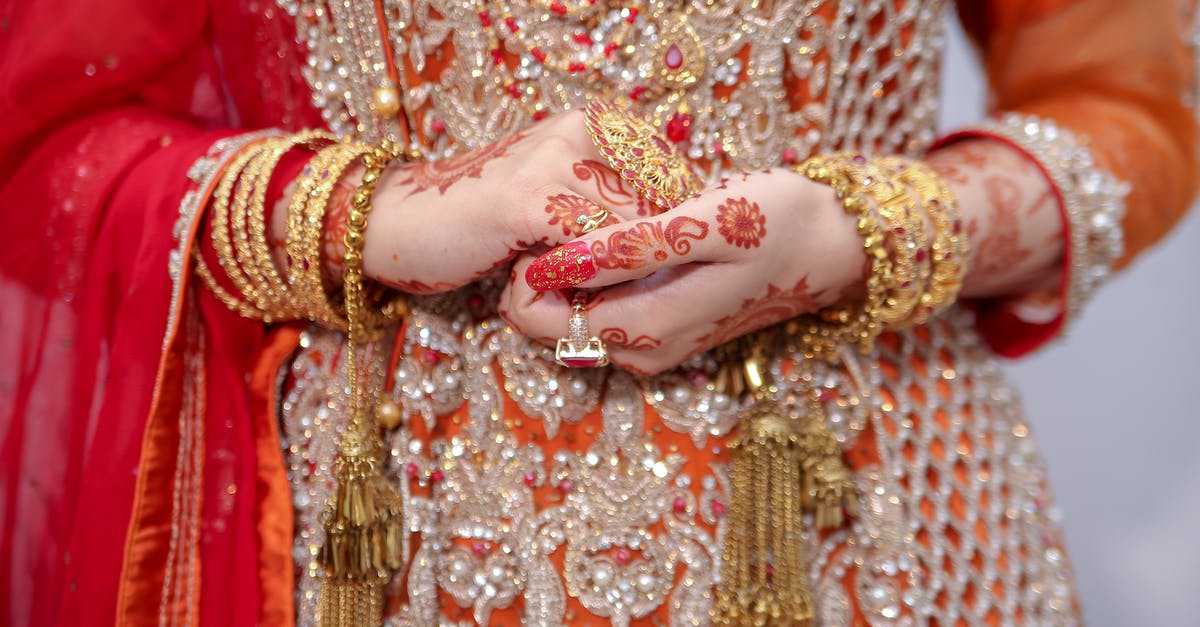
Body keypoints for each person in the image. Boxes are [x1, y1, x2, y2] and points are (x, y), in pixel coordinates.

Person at [1, 0, 1195, 625]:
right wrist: (383, 215)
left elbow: (1129, 105)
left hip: (857, 524)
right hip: (380, 548)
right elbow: (46, 143)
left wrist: (861, 232)